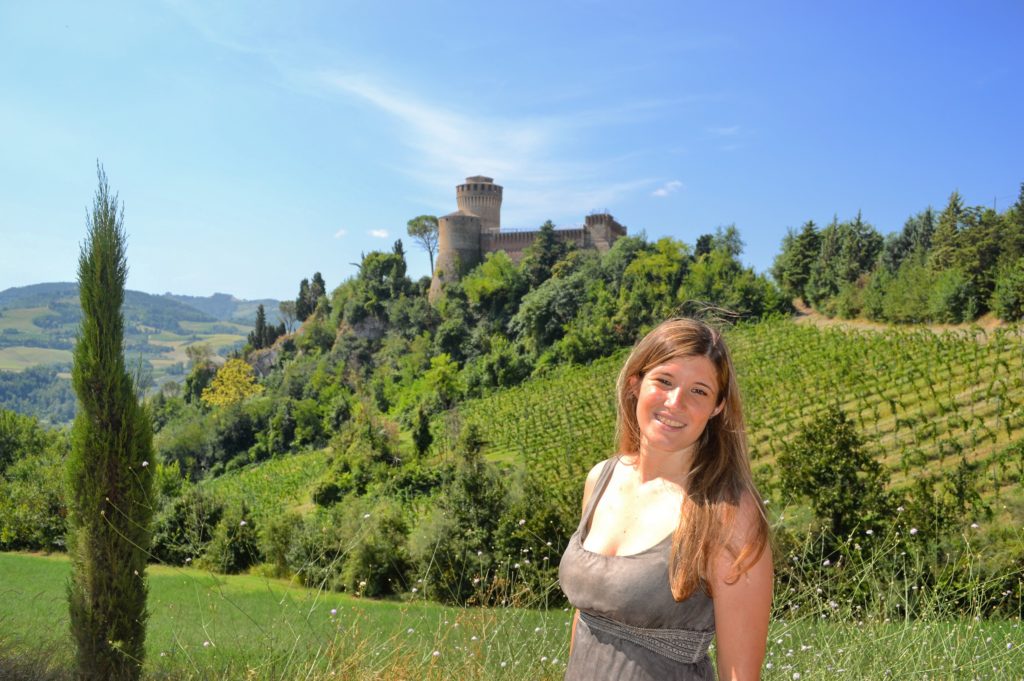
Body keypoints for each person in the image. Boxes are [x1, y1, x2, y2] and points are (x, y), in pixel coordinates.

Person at [559, 317, 773, 681]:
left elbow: (741, 675)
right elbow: (587, 616)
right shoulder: (600, 480)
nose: (676, 402)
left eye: (699, 391)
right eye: (664, 381)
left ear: (718, 407)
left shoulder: (728, 514)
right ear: (635, 383)